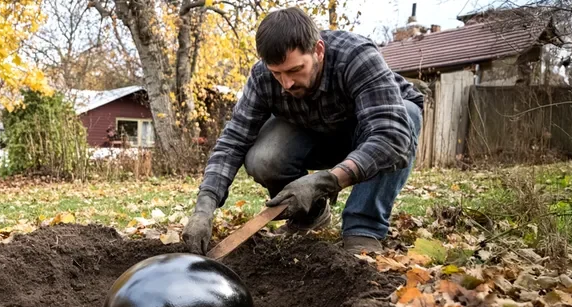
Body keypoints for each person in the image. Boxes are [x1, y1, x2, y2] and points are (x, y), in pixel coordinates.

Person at [182, 7, 424, 256]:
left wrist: (326, 181)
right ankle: (311, 215)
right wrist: (204, 206)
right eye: (277, 73)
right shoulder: (263, 77)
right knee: (263, 157)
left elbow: (390, 137)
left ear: (318, 50)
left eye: (295, 70)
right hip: (315, 133)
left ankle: (363, 227)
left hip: (369, 132)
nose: (286, 83)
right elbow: (233, 141)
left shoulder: (356, 56)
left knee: (406, 116)